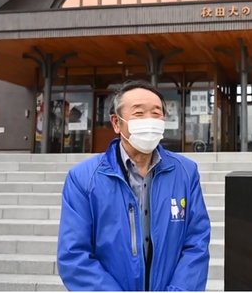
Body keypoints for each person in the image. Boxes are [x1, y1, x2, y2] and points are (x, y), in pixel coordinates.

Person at [57, 80, 211, 291]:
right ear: (116, 123)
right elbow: (74, 254)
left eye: (156, 113)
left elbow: (196, 243)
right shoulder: (84, 178)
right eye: (139, 113)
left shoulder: (185, 172)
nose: (150, 120)